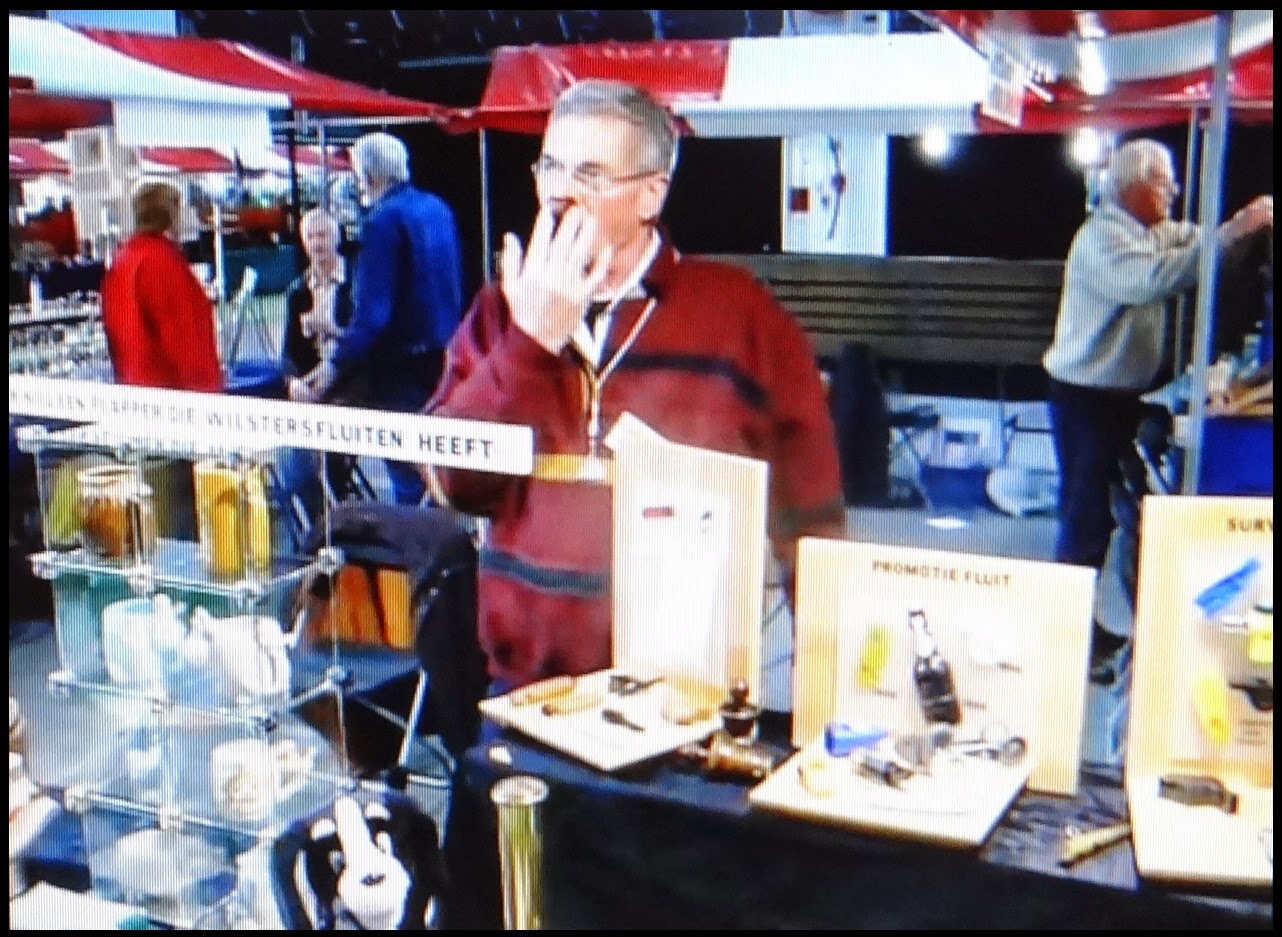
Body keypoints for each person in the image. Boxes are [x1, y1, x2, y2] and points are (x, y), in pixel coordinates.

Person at [423, 79, 846, 694]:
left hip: (686, 699)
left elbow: (812, 515)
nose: (561, 194)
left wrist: (828, 666)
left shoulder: (741, 317)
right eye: (552, 167)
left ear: (653, 192)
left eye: (591, 174)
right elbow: (453, 484)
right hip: (526, 693)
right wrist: (531, 342)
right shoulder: (497, 314)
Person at [1043, 137, 1272, 673]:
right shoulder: (1101, 238)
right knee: (1086, 515)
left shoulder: (1154, 232)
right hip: (1087, 397)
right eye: (1163, 180)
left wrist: (1246, 226)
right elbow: (1152, 281)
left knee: (1125, 512)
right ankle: (1063, 634)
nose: (1173, 190)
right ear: (1132, 187)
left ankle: (1107, 629)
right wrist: (1232, 232)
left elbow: (1200, 243)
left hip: (1126, 396)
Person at [291, 132, 464, 507]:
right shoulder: (438, 208)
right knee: (437, 470)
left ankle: (413, 556)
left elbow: (374, 315)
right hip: (445, 358)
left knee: (406, 476)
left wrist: (334, 364)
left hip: (398, 369)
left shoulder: (381, 222)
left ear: (367, 178)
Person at [101, 178, 223, 392]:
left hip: (135, 390)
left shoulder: (123, 259)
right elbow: (185, 339)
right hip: (173, 395)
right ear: (171, 211)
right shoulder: (162, 261)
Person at [279, 208, 360, 523]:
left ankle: (337, 513)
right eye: (310, 237)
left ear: (337, 237)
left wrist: (331, 329)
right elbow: (288, 353)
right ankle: (315, 518)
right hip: (311, 387)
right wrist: (293, 382)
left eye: (323, 235)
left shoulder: (357, 286)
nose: (317, 243)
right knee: (290, 441)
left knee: (330, 431)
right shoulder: (297, 292)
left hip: (349, 384)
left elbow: (364, 343)